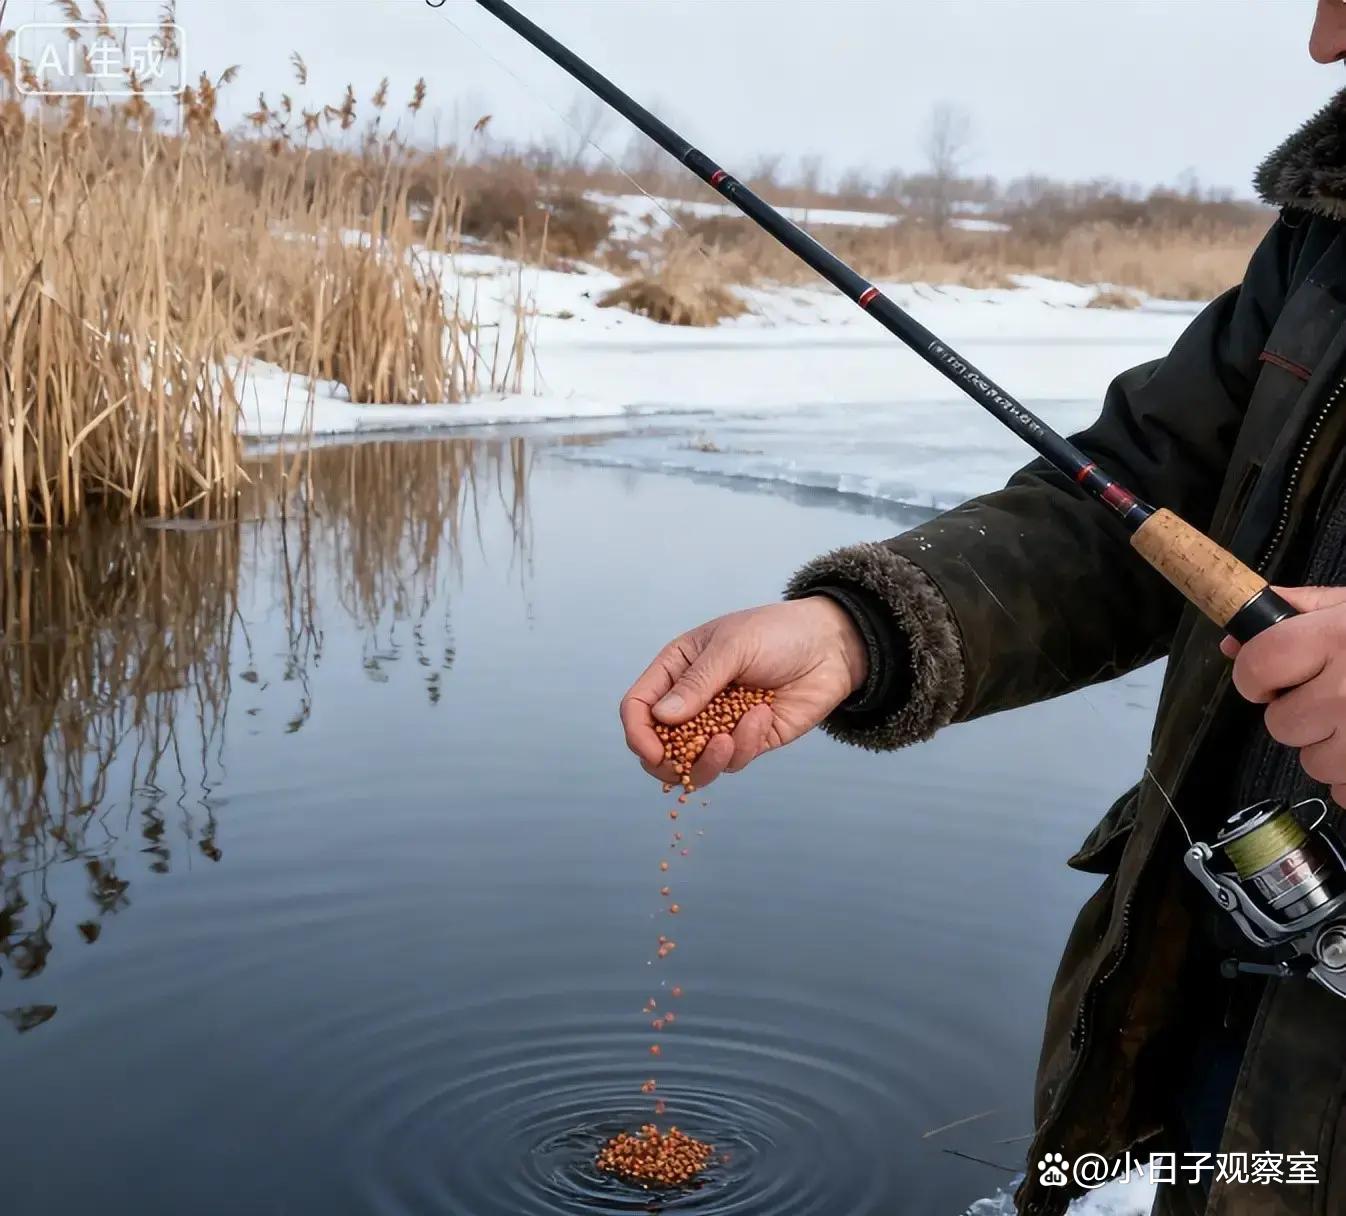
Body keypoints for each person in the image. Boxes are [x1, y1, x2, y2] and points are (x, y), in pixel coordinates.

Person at [620, 4, 1346, 1214]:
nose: (1323, 42)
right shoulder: (1322, 245)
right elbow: (1134, 503)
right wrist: (856, 629)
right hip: (1229, 1021)